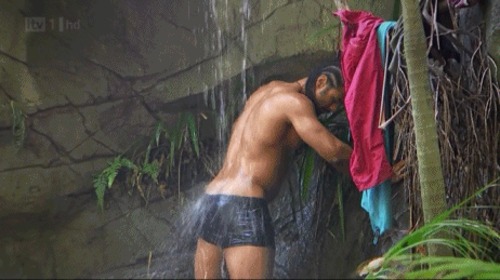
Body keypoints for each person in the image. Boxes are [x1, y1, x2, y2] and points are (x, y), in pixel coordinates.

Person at [193, 64, 400, 279]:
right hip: (243, 203)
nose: (333, 108)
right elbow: (334, 152)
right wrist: (379, 172)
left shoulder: (265, 92)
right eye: (334, 99)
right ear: (320, 82)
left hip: (213, 200)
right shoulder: (295, 103)